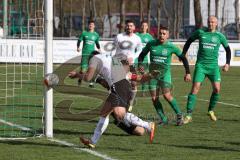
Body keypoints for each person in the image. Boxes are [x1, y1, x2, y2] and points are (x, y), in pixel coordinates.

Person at [68, 51, 155, 148]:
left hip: (118, 85)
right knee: (104, 114)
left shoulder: (94, 59)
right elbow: (113, 79)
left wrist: (77, 75)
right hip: (123, 84)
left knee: (119, 114)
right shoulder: (109, 58)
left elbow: (88, 77)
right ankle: (92, 141)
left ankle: (148, 125)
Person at [182, 16, 231, 124]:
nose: (210, 24)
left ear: (216, 23)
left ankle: (210, 110)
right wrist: (183, 53)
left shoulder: (220, 36)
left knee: (217, 89)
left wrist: (227, 63)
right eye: (209, 22)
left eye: (213, 22)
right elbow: (189, 41)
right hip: (201, 66)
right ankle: (189, 115)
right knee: (195, 88)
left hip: (213, 67)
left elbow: (228, 50)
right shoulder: (200, 32)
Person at [138, 26, 191, 126]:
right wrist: (140, 65)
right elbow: (142, 55)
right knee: (154, 98)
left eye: (164, 34)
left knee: (167, 96)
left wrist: (187, 72)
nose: (161, 35)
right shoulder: (151, 44)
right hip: (152, 76)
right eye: (160, 33)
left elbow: (183, 58)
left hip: (165, 75)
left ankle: (179, 115)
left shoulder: (171, 46)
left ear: (167, 35)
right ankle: (163, 119)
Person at [113, 20, 143, 112]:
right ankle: (119, 103)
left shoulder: (137, 38)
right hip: (119, 63)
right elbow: (113, 49)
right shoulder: (119, 37)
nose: (129, 27)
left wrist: (133, 57)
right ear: (125, 27)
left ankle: (130, 102)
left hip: (130, 64)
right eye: (128, 25)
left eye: (131, 26)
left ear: (134, 28)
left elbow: (139, 49)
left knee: (134, 84)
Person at [77, 20, 100, 87]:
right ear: (88, 25)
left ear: (94, 26)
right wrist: (78, 47)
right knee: (83, 71)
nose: (91, 25)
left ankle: (91, 83)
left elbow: (97, 43)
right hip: (84, 54)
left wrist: (99, 49)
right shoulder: (84, 33)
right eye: (90, 24)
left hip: (92, 55)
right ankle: (80, 78)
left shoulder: (96, 35)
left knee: (92, 69)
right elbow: (79, 40)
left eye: (92, 24)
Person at [136, 21, 154, 96]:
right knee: (133, 75)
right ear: (140, 27)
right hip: (136, 58)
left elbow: (152, 48)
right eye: (142, 25)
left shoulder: (150, 37)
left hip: (144, 59)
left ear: (147, 27)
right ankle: (132, 90)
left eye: (145, 25)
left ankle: (143, 91)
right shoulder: (136, 35)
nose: (144, 27)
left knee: (144, 75)